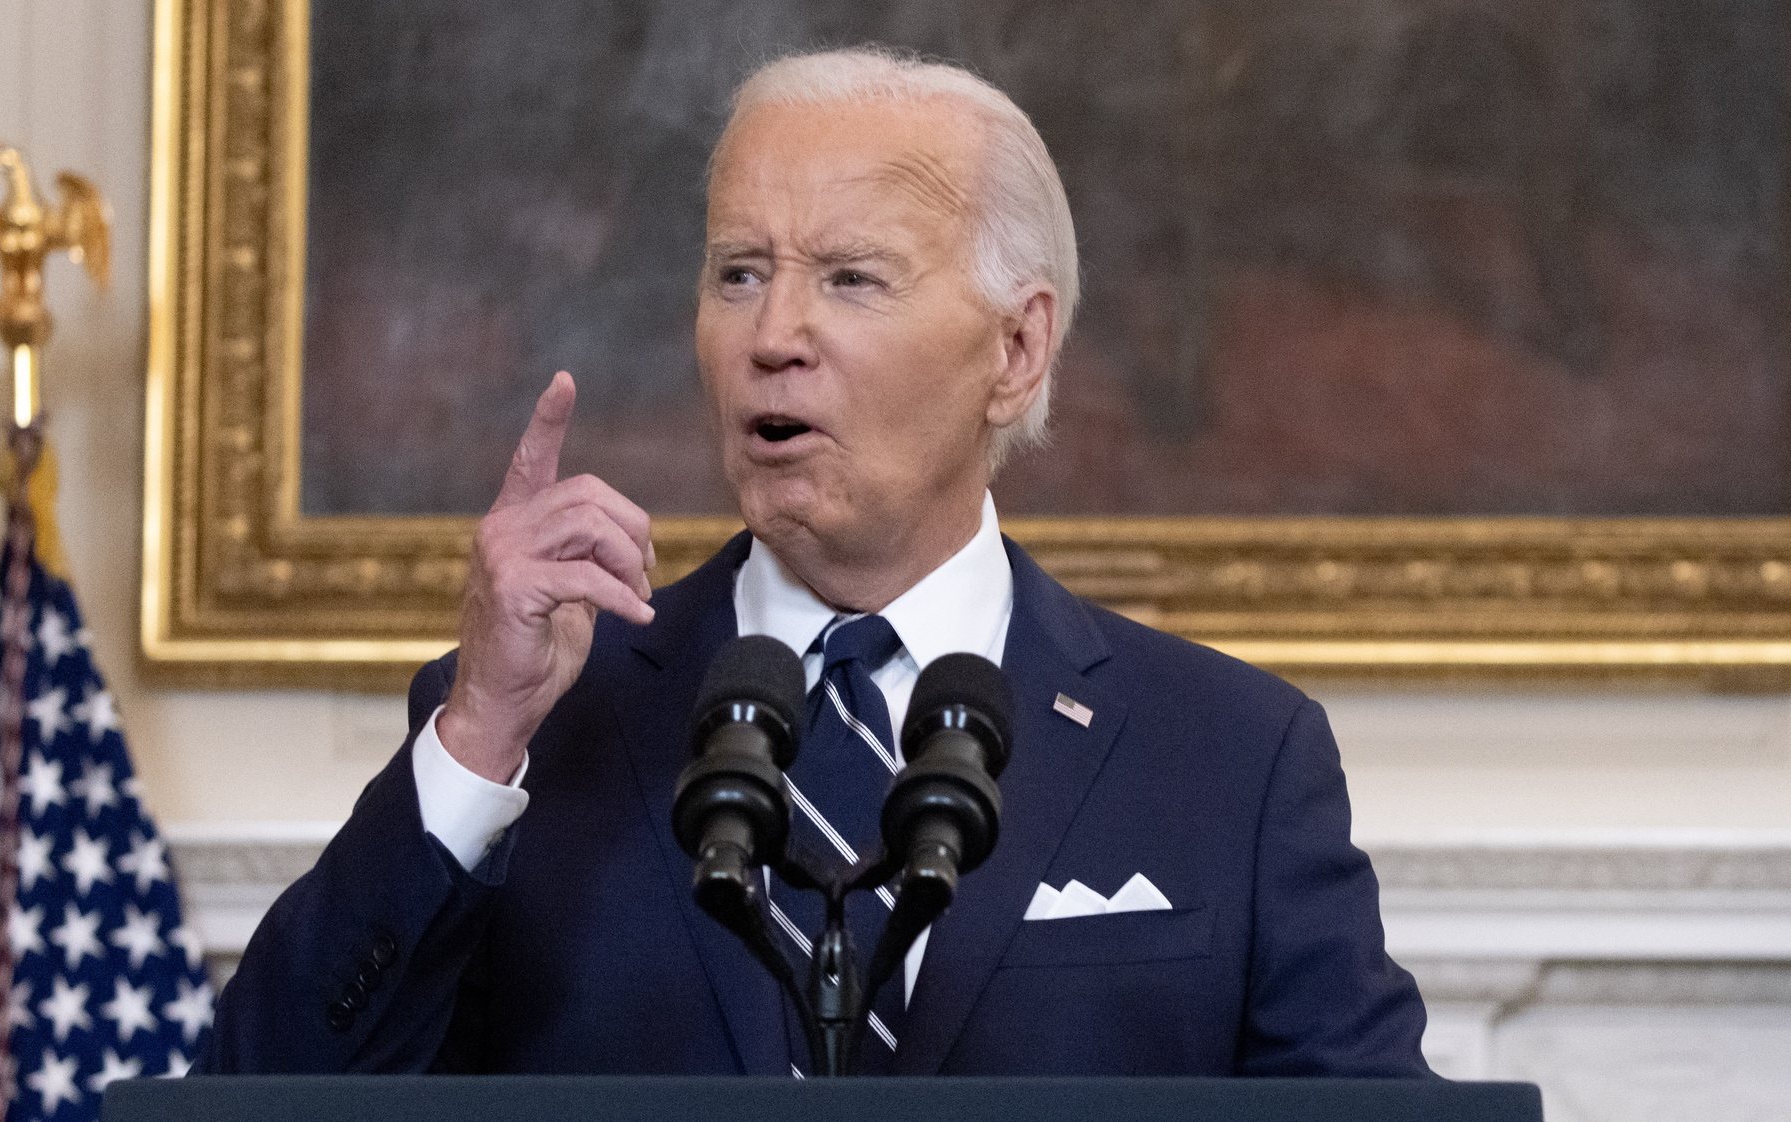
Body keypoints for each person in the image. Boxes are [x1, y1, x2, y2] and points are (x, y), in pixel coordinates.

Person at [200, 46, 1432, 1078]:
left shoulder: (1227, 754)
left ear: (1015, 347)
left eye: (849, 279)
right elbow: (256, 1098)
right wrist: (476, 736)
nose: (772, 337)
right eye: (738, 274)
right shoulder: (539, 724)